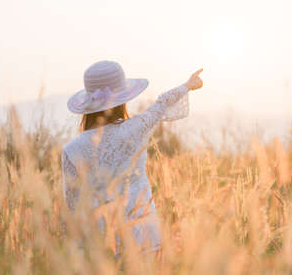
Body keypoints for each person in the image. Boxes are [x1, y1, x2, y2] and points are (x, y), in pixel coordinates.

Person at [61, 60, 203, 260]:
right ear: (122, 100)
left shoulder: (71, 149)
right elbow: (161, 104)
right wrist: (188, 85)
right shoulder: (136, 129)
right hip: (145, 235)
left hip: (103, 243)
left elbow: (73, 207)